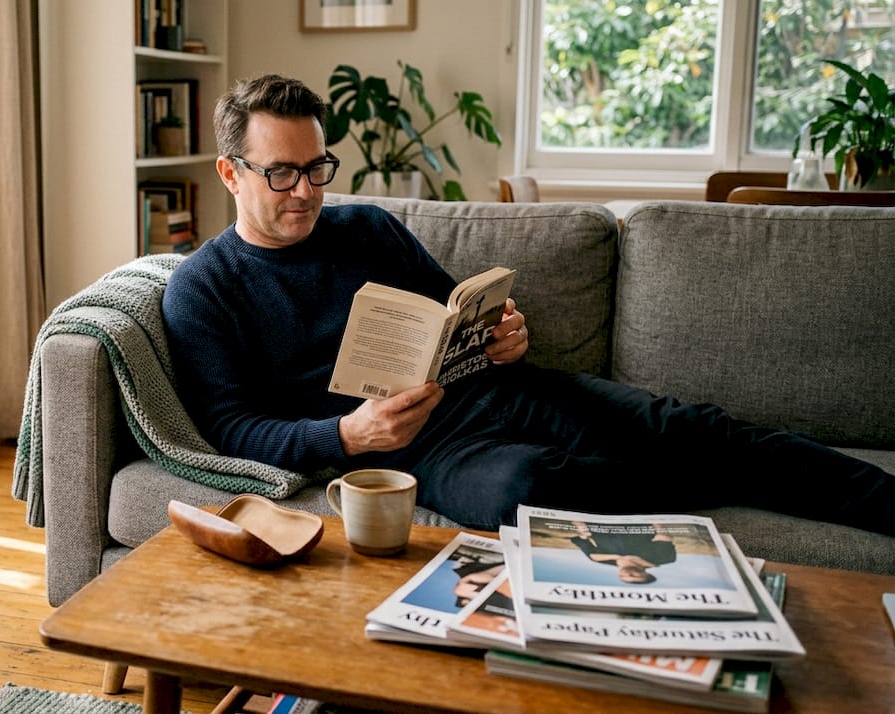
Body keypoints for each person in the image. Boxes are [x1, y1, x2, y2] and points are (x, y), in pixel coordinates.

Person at [161, 73, 895, 536]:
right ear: (231, 171)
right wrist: (348, 436)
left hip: (505, 391)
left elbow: (451, 310)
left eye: (318, 168)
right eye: (283, 174)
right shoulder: (203, 287)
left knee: (691, 425)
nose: (308, 192)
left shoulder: (367, 226)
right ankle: (710, 480)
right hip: (422, 451)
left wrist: (500, 334)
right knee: (529, 491)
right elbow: (229, 429)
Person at [569, 521, 676, 584]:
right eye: (634, 576)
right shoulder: (663, 559)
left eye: (623, 577)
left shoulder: (598, 560)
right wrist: (654, 519)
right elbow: (663, 535)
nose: (627, 574)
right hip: (636, 520)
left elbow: (582, 540)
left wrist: (580, 526)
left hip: (599, 521)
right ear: (647, 574)